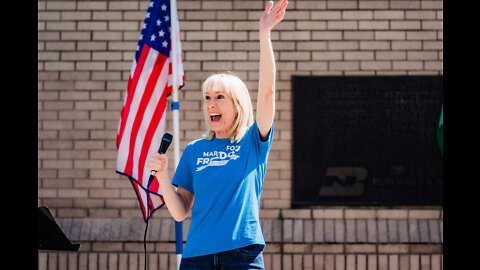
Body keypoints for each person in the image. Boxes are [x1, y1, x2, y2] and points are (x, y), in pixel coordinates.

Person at [146, 0, 288, 268]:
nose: (211, 103)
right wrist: (163, 177)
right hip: (196, 256)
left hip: (241, 255)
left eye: (220, 97)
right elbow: (180, 212)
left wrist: (264, 35)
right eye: (207, 97)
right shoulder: (194, 150)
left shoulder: (252, 142)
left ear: (237, 105)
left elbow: (268, 93)